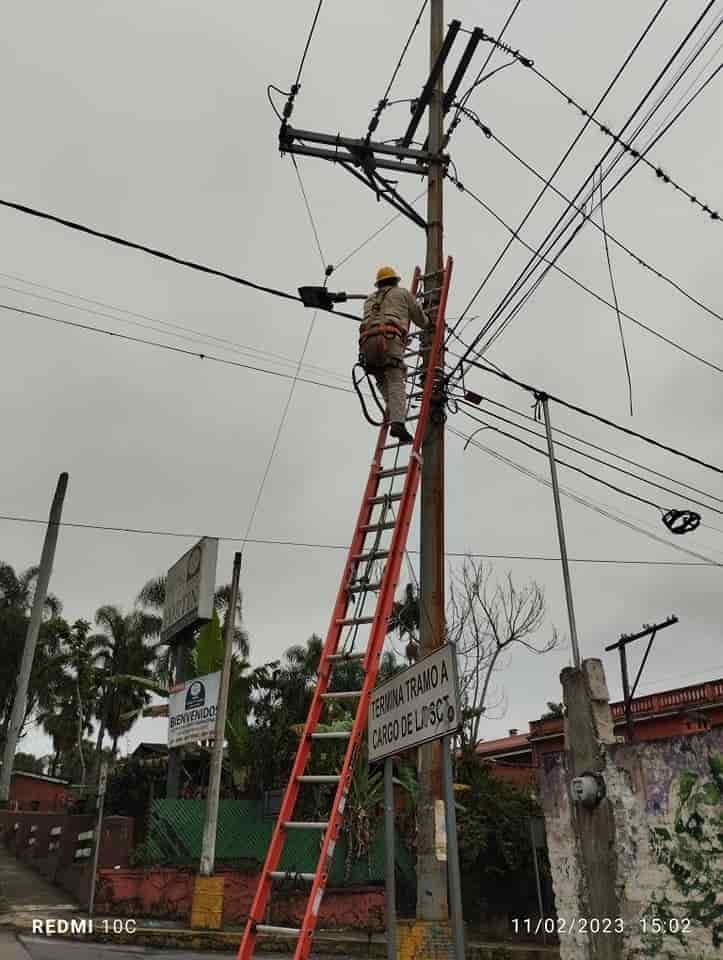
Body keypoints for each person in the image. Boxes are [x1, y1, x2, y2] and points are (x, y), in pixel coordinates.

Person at [359, 266, 427, 443]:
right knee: (396, 380)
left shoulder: (369, 300)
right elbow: (419, 318)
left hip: (367, 345)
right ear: (396, 281)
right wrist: (430, 325)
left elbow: (376, 320)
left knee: (382, 379)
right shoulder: (402, 293)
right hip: (389, 339)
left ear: (379, 283)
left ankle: (394, 411)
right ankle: (398, 422)